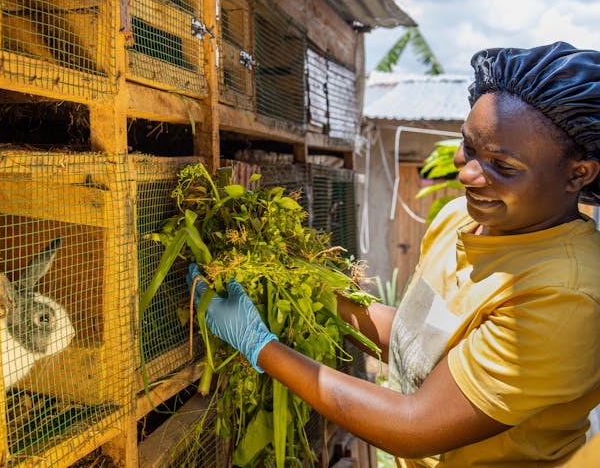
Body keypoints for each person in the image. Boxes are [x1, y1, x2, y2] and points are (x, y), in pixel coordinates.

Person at [188, 41, 600, 467]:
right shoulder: (458, 218)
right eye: (470, 147)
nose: (468, 174)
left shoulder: (566, 298)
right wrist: (306, 288)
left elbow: (414, 426)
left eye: (503, 166)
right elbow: (416, 336)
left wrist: (261, 348)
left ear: (578, 174)